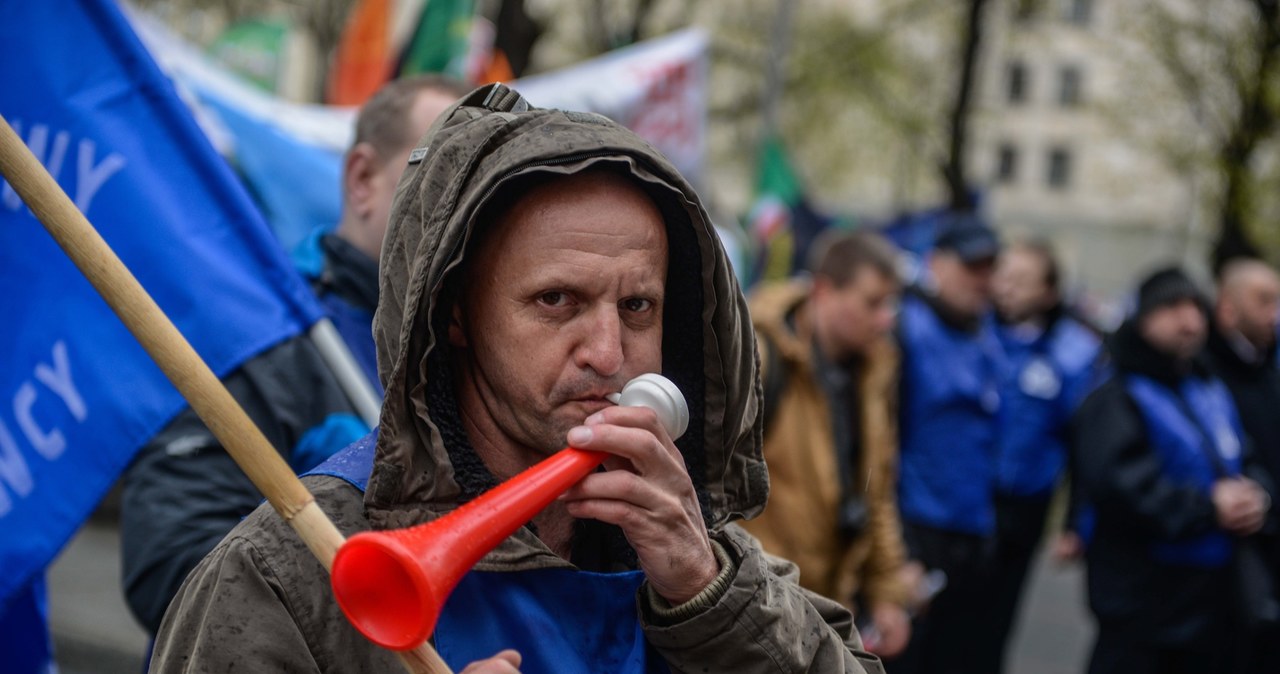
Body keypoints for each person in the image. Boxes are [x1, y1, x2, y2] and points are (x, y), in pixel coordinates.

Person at [149, 83, 885, 673]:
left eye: (638, 306)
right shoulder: (293, 567)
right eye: (556, 301)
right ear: (456, 316)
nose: (608, 351)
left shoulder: (699, 553)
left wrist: (713, 600)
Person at [119, 75, 464, 636]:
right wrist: (380, 614)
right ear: (362, 180)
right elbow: (173, 563)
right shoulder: (260, 338)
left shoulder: (487, 358)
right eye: (445, 175)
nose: (467, 209)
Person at [1073, 266, 1273, 674]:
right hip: (1143, 599)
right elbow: (1119, 487)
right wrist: (1207, 507)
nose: (1188, 321)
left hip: (1207, 599)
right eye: (1172, 308)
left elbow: (1244, 455)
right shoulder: (1116, 393)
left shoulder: (1206, 387)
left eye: (1195, 308)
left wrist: (1258, 494)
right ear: (1143, 316)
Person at [740, 230, 913, 658]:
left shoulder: (875, 369)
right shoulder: (759, 354)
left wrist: (887, 592)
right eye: (872, 302)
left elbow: (878, 489)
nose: (885, 317)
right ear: (823, 289)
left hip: (829, 608)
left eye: (891, 304)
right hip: (757, 608)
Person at [299, 75, 471, 390]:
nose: (473, 205)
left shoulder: (482, 340)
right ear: (363, 179)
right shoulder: (276, 331)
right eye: (447, 174)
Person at [888, 212, 1004, 674]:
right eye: (972, 265)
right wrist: (901, 550)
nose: (983, 279)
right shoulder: (906, 331)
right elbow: (883, 444)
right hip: (918, 534)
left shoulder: (985, 334)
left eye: (990, 267)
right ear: (936, 264)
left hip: (972, 537)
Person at [978, 239, 1101, 673]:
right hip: (962, 501)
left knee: (994, 623)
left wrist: (1074, 525)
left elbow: (1084, 448)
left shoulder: (1075, 354)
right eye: (1003, 276)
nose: (1006, 288)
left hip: (1023, 507)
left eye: (1021, 281)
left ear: (1049, 292)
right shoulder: (974, 332)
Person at [1202, 257, 1280, 672]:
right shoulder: (1203, 374)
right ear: (1228, 308)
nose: (1275, 313)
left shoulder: (1267, 371)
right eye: (1265, 300)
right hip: (1218, 566)